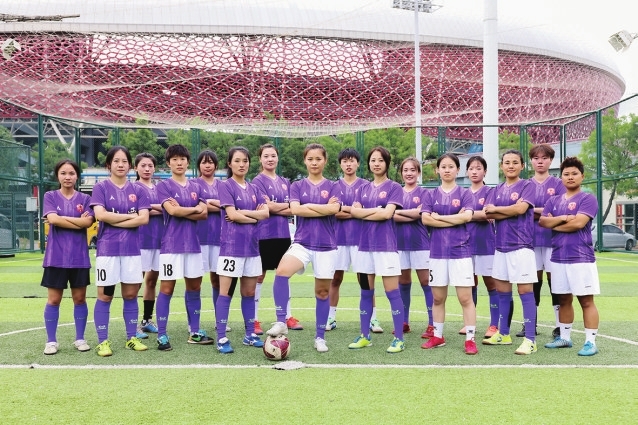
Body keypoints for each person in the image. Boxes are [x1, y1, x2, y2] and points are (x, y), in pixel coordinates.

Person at [265, 143, 340, 353]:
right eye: (310, 159)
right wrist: (323, 208)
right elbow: (296, 210)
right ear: (305, 161)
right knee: (281, 271)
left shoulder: (334, 186)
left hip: (326, 246)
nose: (314, 163)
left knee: (322, 292)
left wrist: (309, 207)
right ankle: (281, 321)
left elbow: (334, 209)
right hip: (302, 243)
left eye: (318, 159)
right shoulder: (297, 185)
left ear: (325, 161)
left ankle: (320, 337)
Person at [90, 146, 150, 356]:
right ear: (109, 165)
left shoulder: (138, 190)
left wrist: (116, 219)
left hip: (132, 251)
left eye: (124, 161)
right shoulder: (100, 188)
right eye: (116, 161)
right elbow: (101, 215)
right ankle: (102, 341)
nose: (120, 164)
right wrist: (131, 218)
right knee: (105, 296)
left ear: (130, 165)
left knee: (131, 294)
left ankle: (131, 338)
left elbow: (144, 219)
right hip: (107, 251)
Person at [539, 156, 600, 356]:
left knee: (586, 301)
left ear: (582, 176)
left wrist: (555, 223)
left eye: (574, 173)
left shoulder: (587, 199)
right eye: (566, 174)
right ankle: (564, 338)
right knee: (563, 299)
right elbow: (543, 222)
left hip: (581, 257)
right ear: (561, 177)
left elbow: (579, 223)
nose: (570, 177)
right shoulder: (553, 200)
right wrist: (564, 219)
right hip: (558, 257)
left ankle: (590, 342)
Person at [348, 146, 406, 353]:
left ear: (387, 163)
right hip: (364, 248)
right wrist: (376, 211)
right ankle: (365, 336)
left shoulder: (394, 187)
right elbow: (354, 212)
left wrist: (365, 212)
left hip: (386, 248)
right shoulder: (362, 188)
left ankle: (399, 338)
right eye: (373, 160)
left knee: (392, 293)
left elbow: (387, 214)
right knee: (366, 292)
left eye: (380, 160)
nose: (376, 164)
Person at [154, 144, 212, 351]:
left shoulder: (196, 186)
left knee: (194, 288)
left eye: (182, 159)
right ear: (168, 163)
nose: (179, 163)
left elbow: (204, 213)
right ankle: (161, 334)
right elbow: (173, 211)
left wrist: (183, 209)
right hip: (171, 246)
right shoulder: (163, 186)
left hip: (193, 245)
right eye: (175, 159)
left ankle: (194, 331)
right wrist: (193, 209)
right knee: (167, 289)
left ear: (188, 162)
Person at [482, 149, 538, 355]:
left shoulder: (528, 186)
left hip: (521, 246)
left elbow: (520, 210)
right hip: (500, 247)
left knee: (525, 291)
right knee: (503, 292)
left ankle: (530, 339)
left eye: (515, 162)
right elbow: (488, 213)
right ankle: (504, 334)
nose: (511, 166)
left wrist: (499, 210)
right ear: (501, 166)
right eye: (507, 162)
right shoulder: (496, 190)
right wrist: (507, 210)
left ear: (522, 166)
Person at [420, 153, 477, 355]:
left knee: (465, 298)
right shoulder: (430, 195)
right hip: (437, 253)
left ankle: (470, 339)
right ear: (437, 170)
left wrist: (440, 218)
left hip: (460, 252)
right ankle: (438, 336)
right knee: (437, 298)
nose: (447, 170)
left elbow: (467, 217)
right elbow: (426, 220)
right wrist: (455, 218)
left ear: (457, 170)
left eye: (451, 166)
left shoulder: (465, 194)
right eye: (443, 166)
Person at [215, 147, 270, 353]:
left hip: (252, 248)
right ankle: (221, 337)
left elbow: (265, 214)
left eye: (245, 161)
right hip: (231, 248)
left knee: (249, 292)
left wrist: (243, 214)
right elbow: (232, 215)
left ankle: (249, 334)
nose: (241, 164)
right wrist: (253, 216)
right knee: (225, 293)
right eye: (237, 161)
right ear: (229, 163)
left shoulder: (254, 188)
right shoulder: (225, 186)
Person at [326, 148, 383, 333]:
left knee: (365, 280)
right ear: (340, 164)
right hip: (338, 239)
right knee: (335, 279)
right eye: (345, 161)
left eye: (352, 161)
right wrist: (357, 211)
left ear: (358, 163)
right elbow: (332, 212)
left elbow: (370, 211)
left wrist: (348, 210)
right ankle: (330, 317)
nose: (348, 164)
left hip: (362, 240)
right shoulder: (333, 186)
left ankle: (373, 319)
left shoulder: (367, 186)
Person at [41, 159, 95, 355]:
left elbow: (88, 222)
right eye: (63, 173)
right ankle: (51, 341)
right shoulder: (50, 196)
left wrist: (61, 219)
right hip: (55, 257)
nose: (67, 177)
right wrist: (77, 222)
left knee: (79, 299)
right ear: (58, 175)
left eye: (71, 173)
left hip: (79, 257)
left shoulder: (85, 199)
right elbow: (52, 219)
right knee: (54, 300)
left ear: (77, 176)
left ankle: (80, 338)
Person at [251, 143, 300, 336]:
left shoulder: (285, 181)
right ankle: (254, 320)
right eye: (266, 156)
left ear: (277, 158)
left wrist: (275, 206)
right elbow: (266, 207)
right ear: (260, 159)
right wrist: (282, 206)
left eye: (273, 155)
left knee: (283, 275)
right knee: (259, 276)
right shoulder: (257, 181)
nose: (270, 159)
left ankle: (287, 316)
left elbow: (293, 208)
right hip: (263, 234)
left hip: (283, 235)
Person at [520, 144, 566, 338]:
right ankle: (530, 325)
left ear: (551, 160)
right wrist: (544, 211)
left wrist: (531, 210)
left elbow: (559, 210)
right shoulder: (524, 185)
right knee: (532, 283)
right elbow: (519, 211)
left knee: (555, 283)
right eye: (536, 158)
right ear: (531, 161)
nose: (540, 161)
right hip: (529, 240)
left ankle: (559, 326)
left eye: (544, 158)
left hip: (553, 240)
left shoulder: (558, 184)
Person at [392, 157, 433, 338]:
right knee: (403, 282)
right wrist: (413, 213)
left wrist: (399, 212)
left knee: (426, 282)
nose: (409, 173)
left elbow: (421, 213)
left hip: (420, 243)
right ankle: (404, 322)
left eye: (412, 170)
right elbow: (391, 215)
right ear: (401, 173)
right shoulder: (396, 192)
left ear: (418, 172)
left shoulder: (424, 193)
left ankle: (432, 323)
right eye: (406, 170)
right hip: (399, 244)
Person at [193, 150, 230, 333]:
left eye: (210, 162)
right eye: (203, 162)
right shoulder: (193, 184)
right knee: (195, 282)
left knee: (218, 280)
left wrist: (208, 204)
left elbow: (228, 206)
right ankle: (193, 323)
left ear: (216, 165)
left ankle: (219, 320)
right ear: (198, 165)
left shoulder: (223, 185)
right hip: (198, 238)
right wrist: (218, 205)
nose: (207, 165)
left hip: (219, 239)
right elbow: (197, 208)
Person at [465, 156, 500, 339]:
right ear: (466, 172)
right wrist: (474, 215)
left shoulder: (490, 192)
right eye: (471, 168)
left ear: (485, 172)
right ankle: (470, 323)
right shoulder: (463, 193)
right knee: (469, 283)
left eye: (478, 168)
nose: (475, 171)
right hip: (465, 244)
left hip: (486, 243)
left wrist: (466, 214)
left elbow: (489, 215)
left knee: (491, 284)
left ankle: (494, 324)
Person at [134, 153, 162, 338]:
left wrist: (151, 208)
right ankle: (132, 325)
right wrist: (158, 208)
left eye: (150, 165)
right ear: (136, 168)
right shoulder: (133, 188)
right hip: (141, 240)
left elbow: (169, 208)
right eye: (143, 165)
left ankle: (146, 320)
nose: (147, 169)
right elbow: (139, 212)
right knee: (135, 283)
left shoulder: (159, 188)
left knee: (152, 281)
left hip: (159, 240)